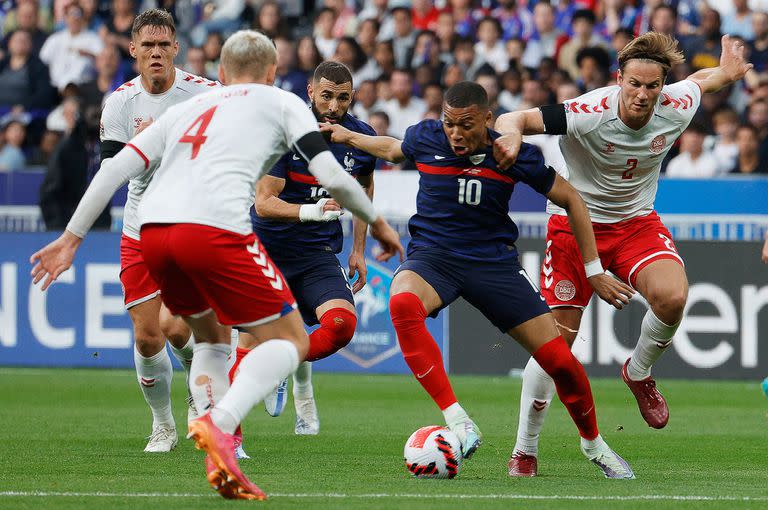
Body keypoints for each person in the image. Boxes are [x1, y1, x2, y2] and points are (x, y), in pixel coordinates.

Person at [30, 29, 404, 500]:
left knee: (211, 336)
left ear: (221, 75)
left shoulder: (185, 109)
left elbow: (114, 169)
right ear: (273, 74)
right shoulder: (282, 104)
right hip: (213, 231)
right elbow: (334, 175)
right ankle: (222, 423)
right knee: (288, 341)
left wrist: (71, 237)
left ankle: (214, 440)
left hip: (155, 231)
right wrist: (379, 225)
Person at [322, 81, 636, 479]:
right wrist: (348, 135)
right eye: (449, 124)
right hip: (434, 258)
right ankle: (459, 421)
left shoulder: (512, 153)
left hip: (493, 265)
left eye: (466, 125)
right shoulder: (426, 136)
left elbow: (572, 199)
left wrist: (594, 271)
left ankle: (594, 446)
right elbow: (391, 148)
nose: (455, 133)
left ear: (487, 120)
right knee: (401, 303)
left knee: (560, 361)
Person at [494, 32, 752, 476]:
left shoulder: (677, 103)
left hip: (635, 223)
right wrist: (512, 138)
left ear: (662, 87)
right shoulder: (587, 112)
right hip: (573, 226)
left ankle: (637, 372)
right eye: (633, 84)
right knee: (555, 348)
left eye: (652, 86)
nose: (641, 94)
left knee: (673, 297)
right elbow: (512, 117)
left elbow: (703, 81)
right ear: (619, 80)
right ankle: (525, 449)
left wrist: (728, 72)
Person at [228, 61, 377, 453]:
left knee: (342, 325)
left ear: (351, 97)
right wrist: (311, 211)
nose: (333, 105)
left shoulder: (359, 137)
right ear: (310, 92)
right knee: (247, 343)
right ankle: (232, 437)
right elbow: (263, 204)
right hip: (268, 252)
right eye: (326, 95)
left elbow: (364, 186)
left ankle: (280, 364)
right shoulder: (283, 132)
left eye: (342, 97)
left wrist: (359, 248)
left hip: (317, 254)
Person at [99, 9, 220, 453]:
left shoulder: (206, 94)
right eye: (146, 45)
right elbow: (111, 174)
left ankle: (197, 388)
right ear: (132, 49)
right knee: (148, 336)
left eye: (162, 45)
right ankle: (163, 425)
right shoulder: (120, 104)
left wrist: (167, 140)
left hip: (189, 227)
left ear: (176, 49)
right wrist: (142, 147)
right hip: (138, 230)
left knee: (177, 327)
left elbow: (227, 151)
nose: (155, 53)